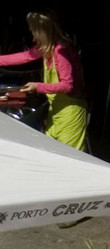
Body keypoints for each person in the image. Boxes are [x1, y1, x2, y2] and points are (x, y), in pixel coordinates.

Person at [0, 12, 89, 149]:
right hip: (56, 111)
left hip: (70, 112)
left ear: (41, 31)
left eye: (33, 30)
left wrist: (38, 87)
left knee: (69, 158)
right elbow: (24, 57)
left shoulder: (61, 51)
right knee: (52, 151)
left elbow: (67, 85)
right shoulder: (47, 49)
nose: (31, 32)